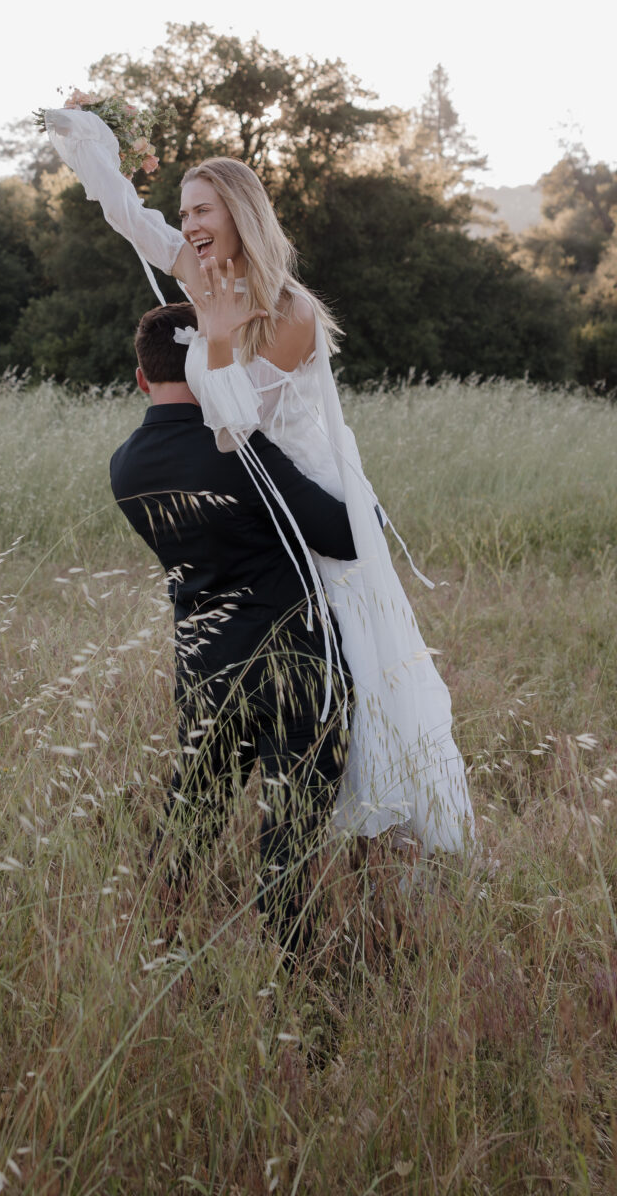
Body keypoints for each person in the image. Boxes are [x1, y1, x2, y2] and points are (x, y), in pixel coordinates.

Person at [42, 104, 474, 856]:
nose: (188, 224)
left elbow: (234, 426)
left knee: (361, 672)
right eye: (185, 212)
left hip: (312, 502)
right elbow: (133, 226)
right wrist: (93, 156)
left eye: (202, 210)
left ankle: (401, 840)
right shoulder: (204, 274)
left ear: (239, 212)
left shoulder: (287, 309)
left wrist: (212, 341)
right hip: (256, 495)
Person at [111, 300, 357, 957]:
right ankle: (291, 984)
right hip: (295, 665)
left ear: (141, 378)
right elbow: (343, 533)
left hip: (204, 667)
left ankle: (159, 956)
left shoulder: (125, 465)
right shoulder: (237, 447)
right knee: (288, 843)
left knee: (187, 825)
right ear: (210, 363)